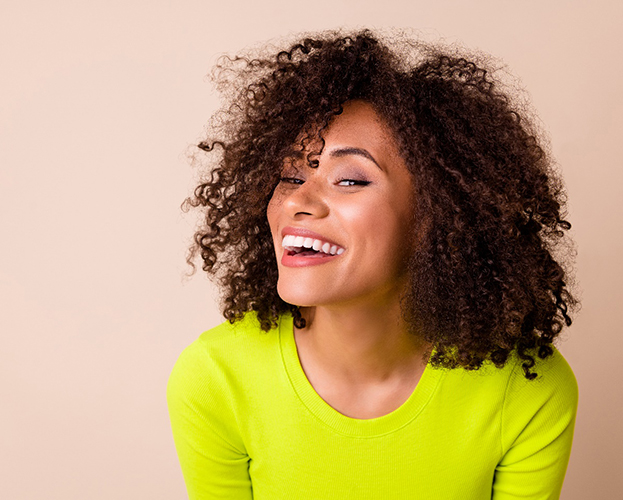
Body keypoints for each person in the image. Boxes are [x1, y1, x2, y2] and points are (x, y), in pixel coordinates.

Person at [167, 29, 579, 499]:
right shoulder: (216, 378)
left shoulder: (526, 390)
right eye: (289, 176)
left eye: (349, 180)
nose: (297, 201)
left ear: (436, 215)